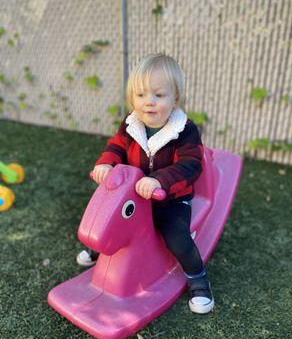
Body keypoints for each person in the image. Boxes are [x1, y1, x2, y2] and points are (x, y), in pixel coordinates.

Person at [77, 53, 214, 314]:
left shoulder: (184, 130)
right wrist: (106, 163)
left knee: (176, 237)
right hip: (135, 195)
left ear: (175, 99)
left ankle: (198, 278)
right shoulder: (131, 125)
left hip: (170, 198)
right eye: (140, 95)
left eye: (158, 95)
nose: (148, 102)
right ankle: (102, 248)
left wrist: (159, 179)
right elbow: (116, 147)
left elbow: (190, 165)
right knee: (109, 217)